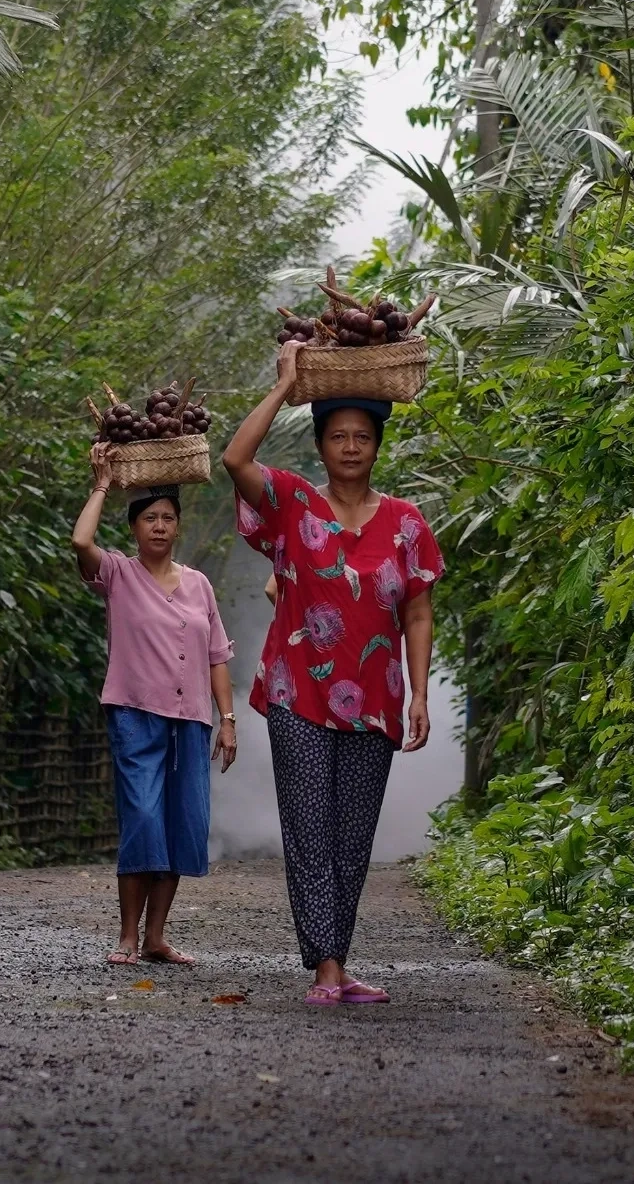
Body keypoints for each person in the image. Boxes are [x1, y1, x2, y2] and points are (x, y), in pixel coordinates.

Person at [221, 340, 443, 1006]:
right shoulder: (290, 503)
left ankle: (339, 962)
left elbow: (419, 615)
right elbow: (235, 459)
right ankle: (324, 967)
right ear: (320, 444)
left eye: (363, 436)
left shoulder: (407, 523)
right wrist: (285, 388)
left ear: (378, 445)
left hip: (377, 699)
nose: (350, 446)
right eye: (338, 435)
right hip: (299, 691)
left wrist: (421, 693)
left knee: (352, 835)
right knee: (310, 826)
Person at [72, 446, 239, 966]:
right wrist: (101, 485)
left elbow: (216, 656)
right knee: (143, 818)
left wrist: (227, 720)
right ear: (135, 528)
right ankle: (127, 935)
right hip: (135, 714)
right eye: (150, 518)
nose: (160, 527)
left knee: (181, 823)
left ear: (179, 527)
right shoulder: (118, 575)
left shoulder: (199, 585)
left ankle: (156, 937)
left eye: (168, 518)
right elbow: (81, 541)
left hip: (191, 722)